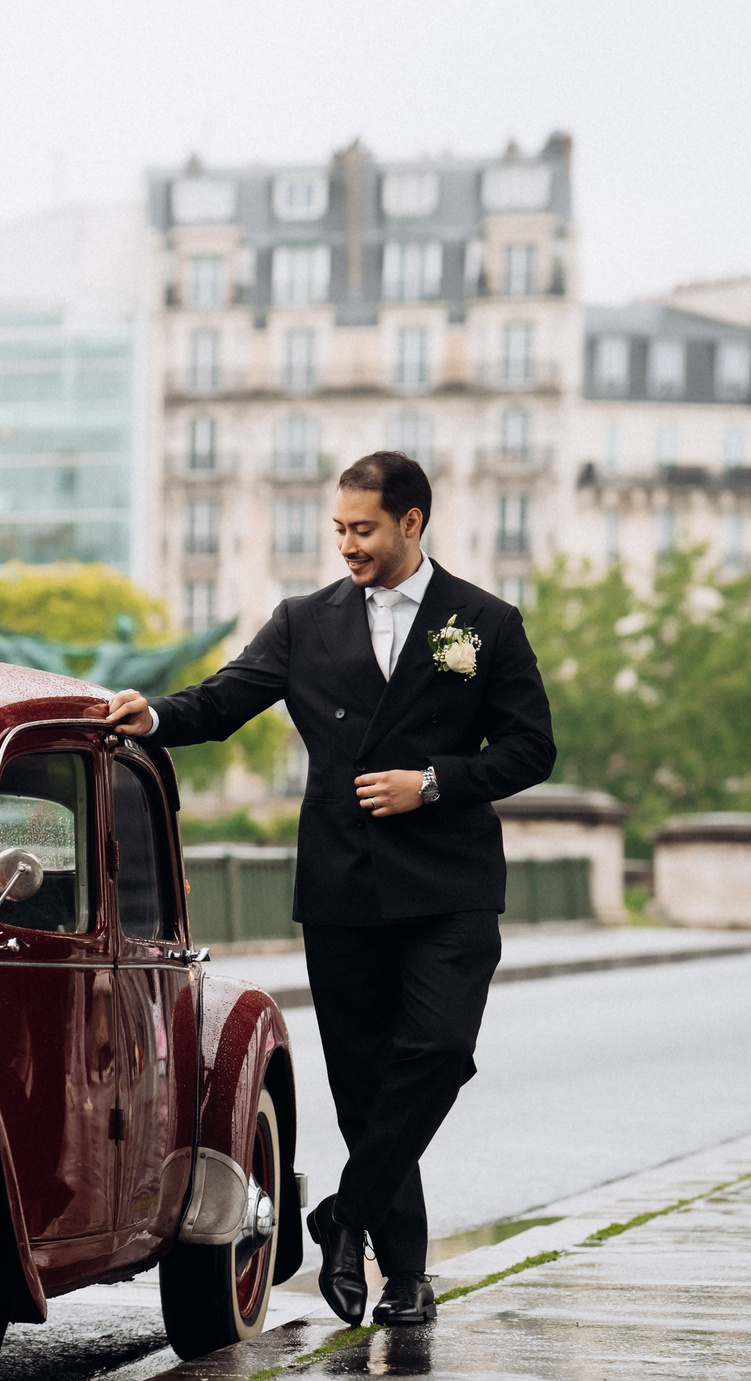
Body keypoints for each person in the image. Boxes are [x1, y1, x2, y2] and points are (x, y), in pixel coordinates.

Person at [101, 451, 554, 1328]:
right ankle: (408, 1276)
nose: (346, 544)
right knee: (366, 1086)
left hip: (451, 883)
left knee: (437, 1052)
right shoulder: (305, 623)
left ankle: (344, 1218)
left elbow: (532, 749)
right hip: (344, 885)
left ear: (412, 523)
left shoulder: (485, 622)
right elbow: (224, 701)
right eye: (339, 528)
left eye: (364, 529)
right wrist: (152, 715)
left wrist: (432, 782)